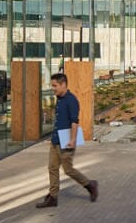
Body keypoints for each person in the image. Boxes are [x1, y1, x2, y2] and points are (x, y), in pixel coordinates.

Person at [36, 72, 98, 208]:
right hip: (55, 138)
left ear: (63, 84)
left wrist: (73, 139)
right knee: (52, 168)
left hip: (66, 139)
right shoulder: (59, 98)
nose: (53, 88)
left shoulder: (72, 100)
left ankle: (90, 185)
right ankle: (53, 197)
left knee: (68, 169)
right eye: (52, 86)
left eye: (55, 86)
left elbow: (74, 122)